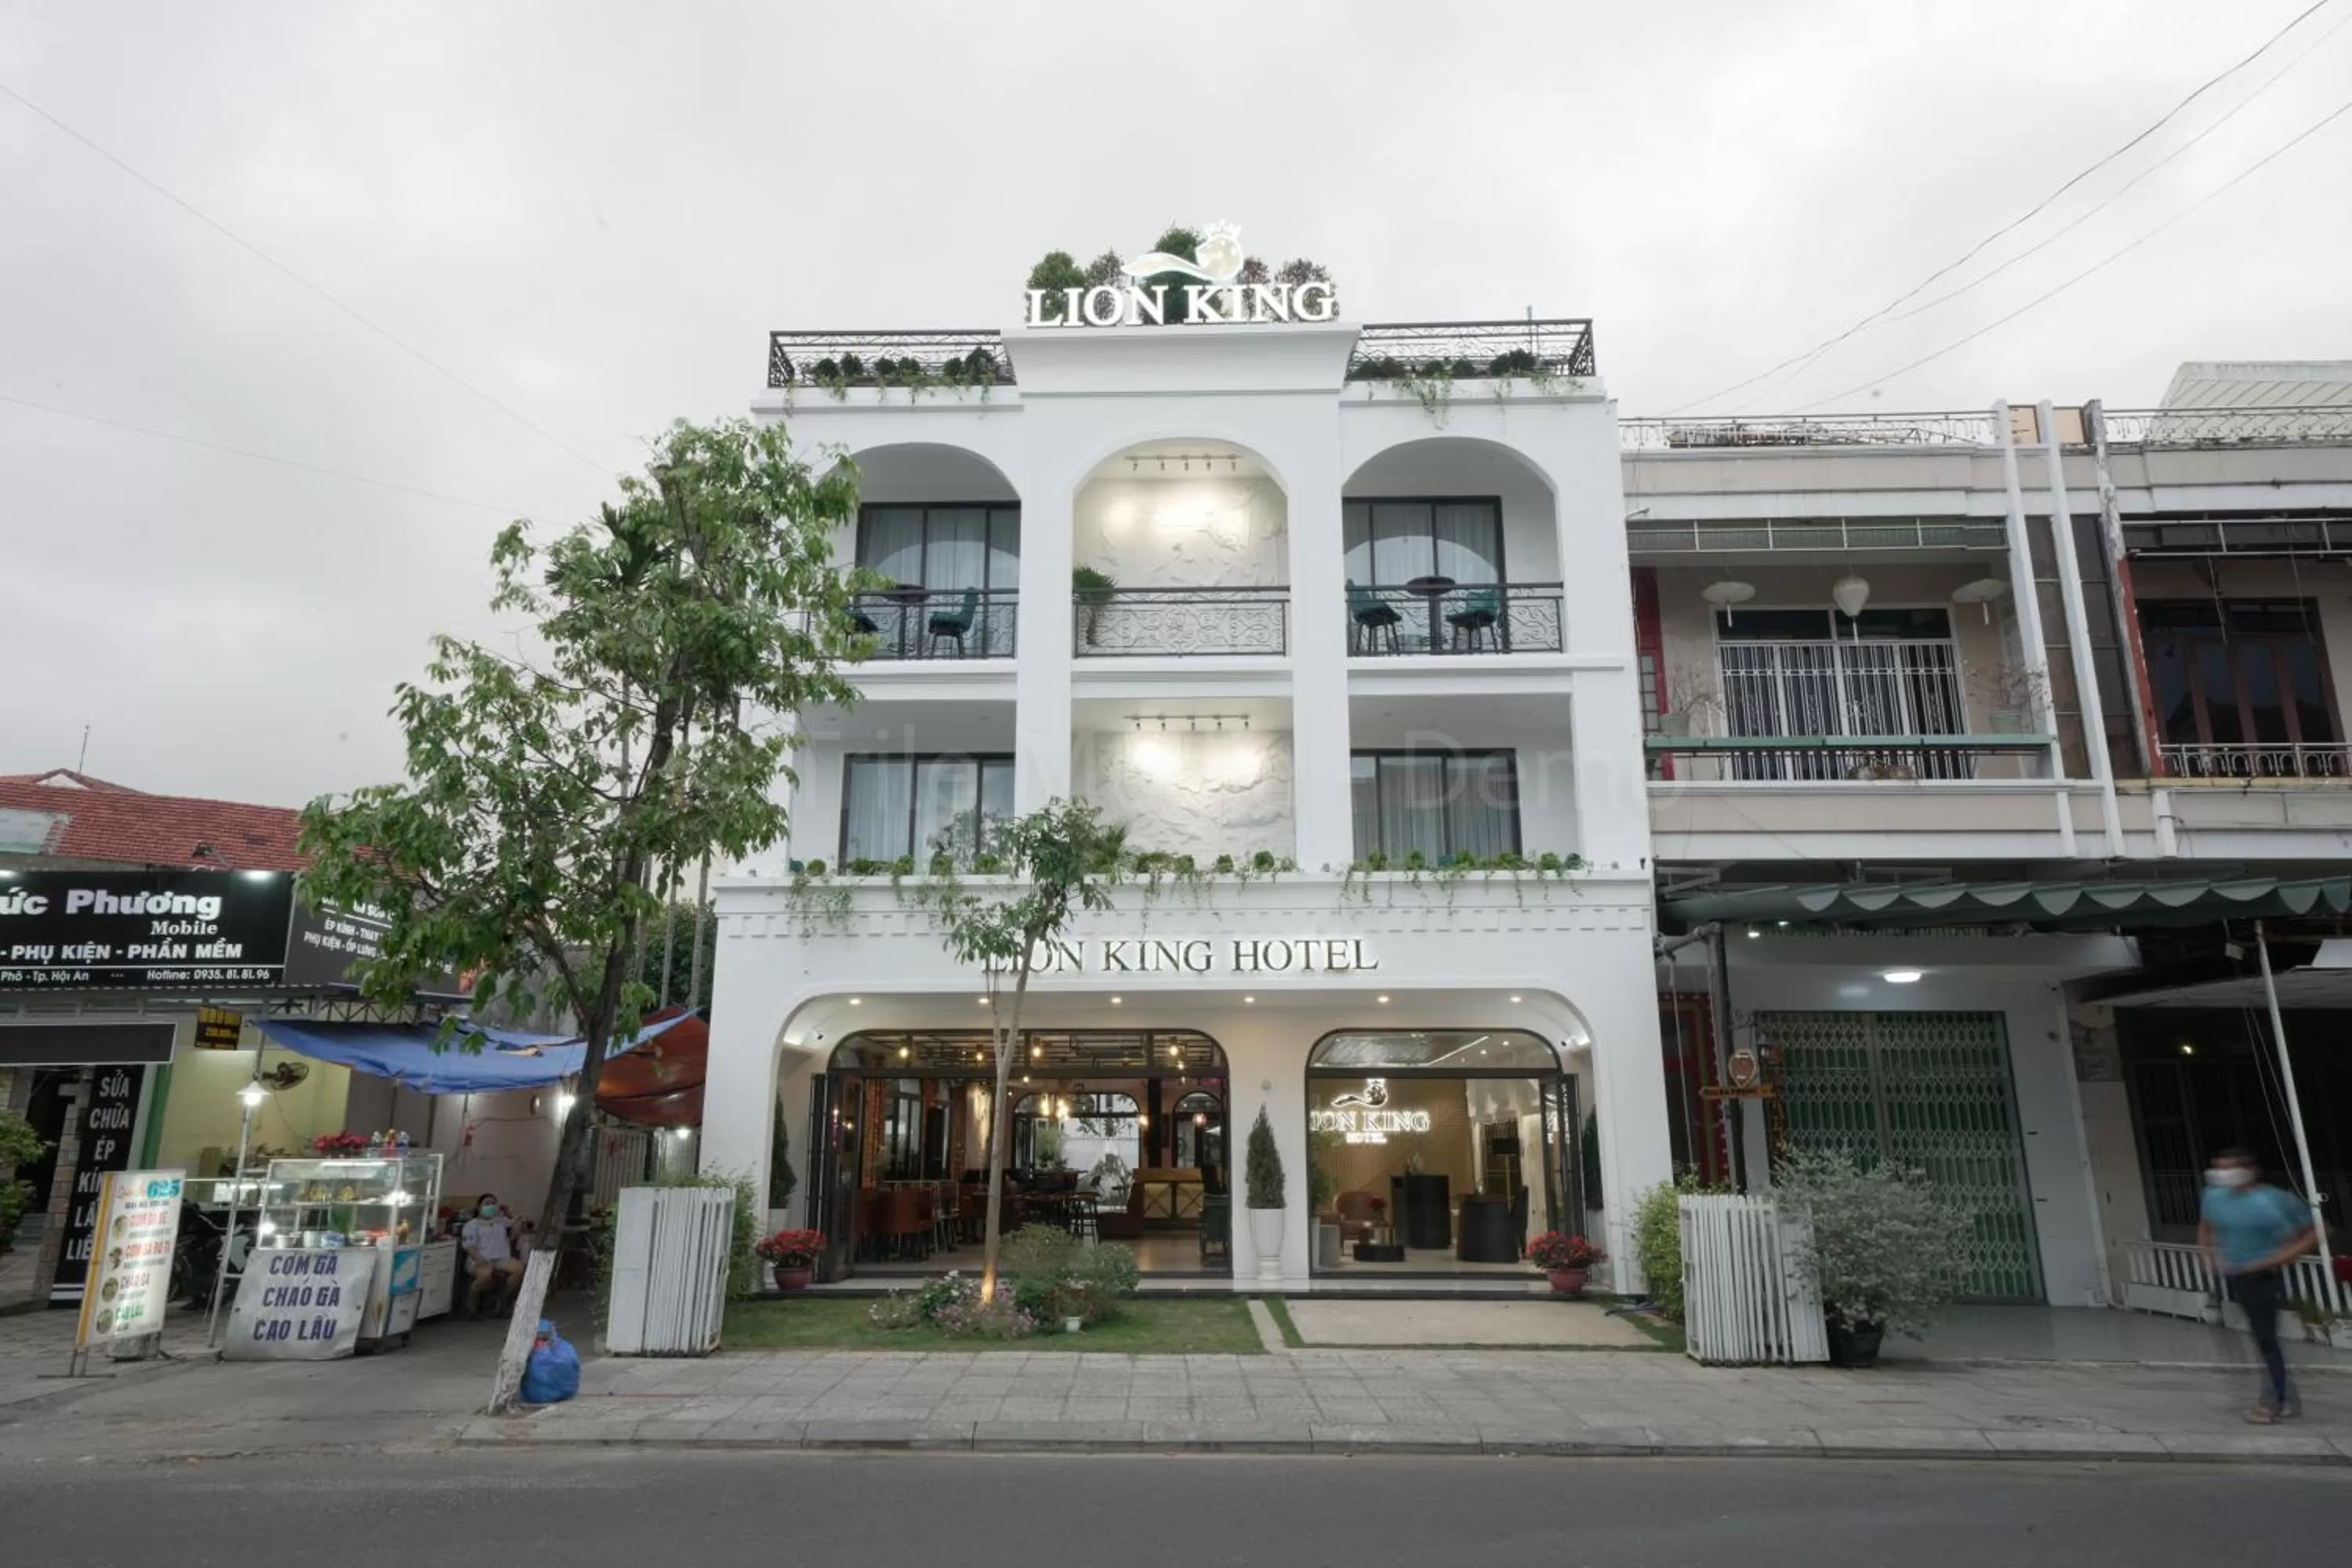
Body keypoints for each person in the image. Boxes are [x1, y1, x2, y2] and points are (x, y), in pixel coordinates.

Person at [2198, 1149, 2318, 1423]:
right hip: (2235, 1274)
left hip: (2263, 1276)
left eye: (2229, 1169)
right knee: (2259, 1337)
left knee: (2265, 1339)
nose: (2222, 1175)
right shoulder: (2214, 1196)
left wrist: (2277, 1258)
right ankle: (2286, 1397)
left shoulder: (2272, 1201)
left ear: (2249, 1170)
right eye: (2219, 1169)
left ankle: (2272, 1402)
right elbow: (2205, 1225)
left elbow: (2313, 1233)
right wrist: (2207, 1254)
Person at [460, 1193, 524, 1320]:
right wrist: (478, 1258)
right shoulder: (472, 1225)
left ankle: (502, 1302)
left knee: (519, 1269)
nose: (490, 1206)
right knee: (485, 1277)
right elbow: (469, 1246)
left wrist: (510, 1213)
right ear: (479, 1207)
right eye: (487, 1204)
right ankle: (471, 1307)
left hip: (501, 1258)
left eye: (493, 1203)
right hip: (480, 1259)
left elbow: (517, 1226)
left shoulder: (501, 1221)